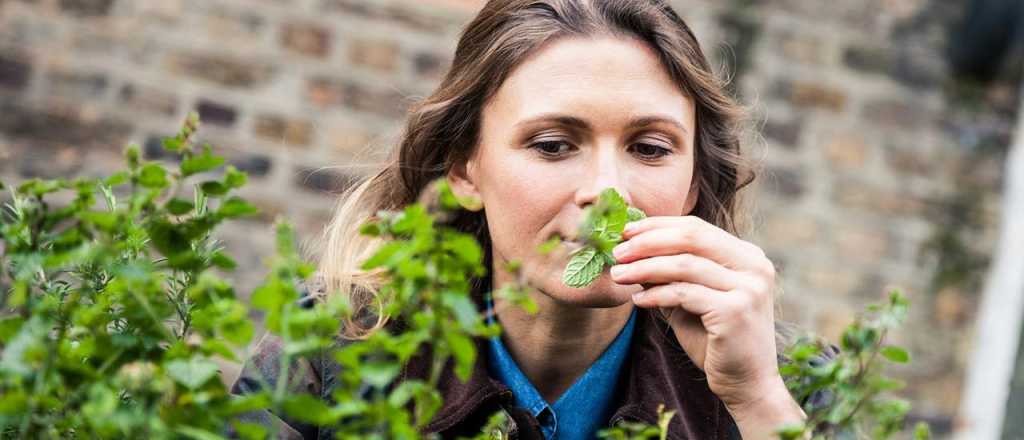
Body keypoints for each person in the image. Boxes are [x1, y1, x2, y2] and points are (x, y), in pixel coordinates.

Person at [229, 1, 838, 438]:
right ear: (464, 169)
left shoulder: (792, 386)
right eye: (552, 145)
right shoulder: (338, 348)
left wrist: (759, 403)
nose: (607, 193)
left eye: (650, 148)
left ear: (692, 184)